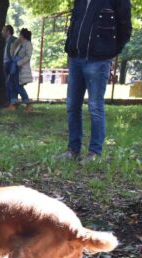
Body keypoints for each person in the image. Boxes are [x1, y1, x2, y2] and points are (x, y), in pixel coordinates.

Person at [60, 0, 132, 162]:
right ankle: (73, 150)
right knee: (72, 106)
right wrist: (70, 48)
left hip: (98, 61)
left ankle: (94, 154)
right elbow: (74, 26)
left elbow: (125, 29)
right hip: (76, 58)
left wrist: (109, 51)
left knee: (95, 107)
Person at [8, 28, 34, 112]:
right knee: (12, 85)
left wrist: (19, 62)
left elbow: (28, 56)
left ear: (22, 35)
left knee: (19, 87)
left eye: (20, 35)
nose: (19, 37)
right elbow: (12, 54)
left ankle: (28, 104)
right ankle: (13, 104)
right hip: (14, 67)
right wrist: (14, 44)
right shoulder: (19, 44)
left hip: (20, 68)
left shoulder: (28, 44)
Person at [1, 25, 18, 110]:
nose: (2, 32)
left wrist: (14, 63)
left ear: (8, 31)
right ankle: (10, 102)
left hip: (11, 64)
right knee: (7, 84)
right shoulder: (6, 41)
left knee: (10, 83)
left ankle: (12, 103)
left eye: (3, 30)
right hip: (6, 63)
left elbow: (17, 53)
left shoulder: (14, 40)